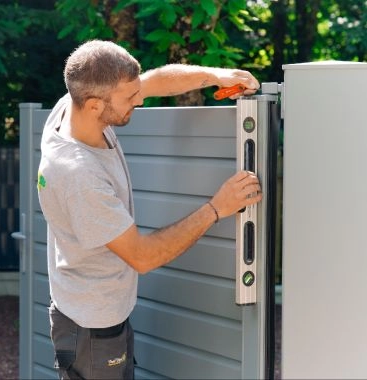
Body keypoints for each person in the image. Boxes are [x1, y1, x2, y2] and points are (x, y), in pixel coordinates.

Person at [37, 39, 262, 380]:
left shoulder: (74, 104)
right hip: (92, 328)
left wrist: (216, 75)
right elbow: (142, 256)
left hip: (92, 310)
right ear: (96, 105)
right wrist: (217, 207)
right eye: (130, 98)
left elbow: (153, 81)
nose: (140, 100)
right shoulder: (79, 175)